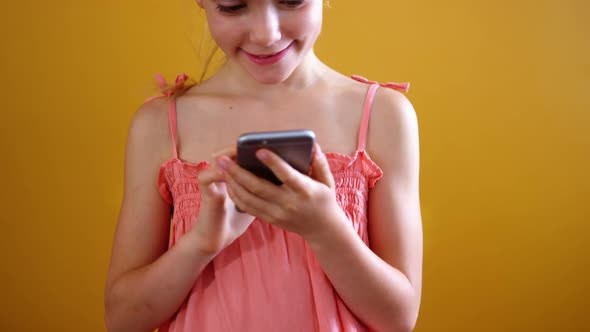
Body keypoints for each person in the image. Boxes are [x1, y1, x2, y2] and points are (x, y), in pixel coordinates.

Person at [104, 0, 423, 331]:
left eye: (290, 1)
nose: (266, 34)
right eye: (233, 6)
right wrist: (200, 243)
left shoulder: (383, 116)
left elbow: (398, 319)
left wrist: (326, 230)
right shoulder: (159, 126)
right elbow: (123, 319)